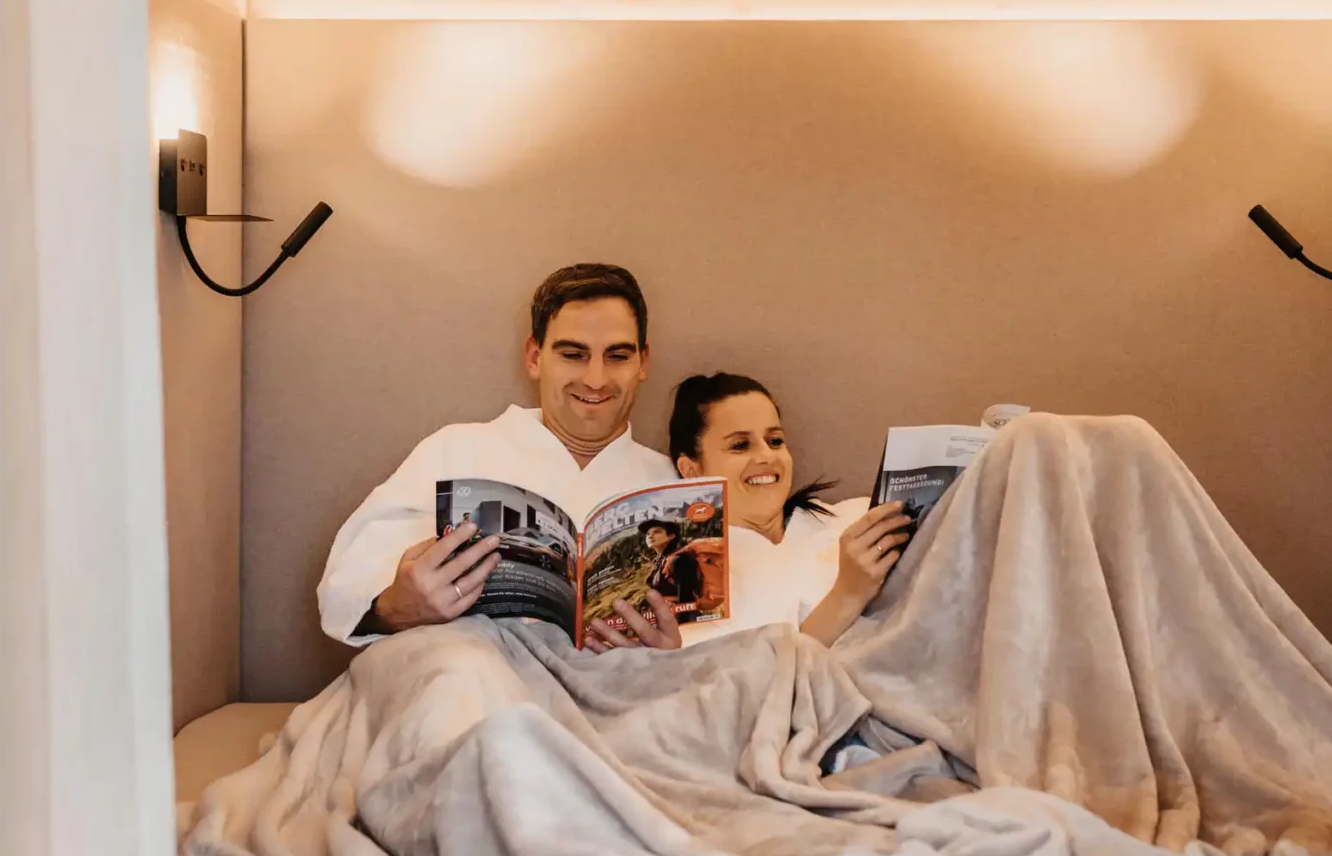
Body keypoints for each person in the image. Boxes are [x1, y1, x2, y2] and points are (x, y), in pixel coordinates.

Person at [316, 263, 687, 650]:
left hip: (621, 690)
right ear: (534, 356)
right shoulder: (455, 450)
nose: (595, 379)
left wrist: (671, 654)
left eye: (617, 356)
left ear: (643, 363)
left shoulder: (676, 483)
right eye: (573, 354)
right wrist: (395, 606)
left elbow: (717, 619)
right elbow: (343, 592)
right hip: (473, 676)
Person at [667, 371, 913, 648]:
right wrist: (848, 594)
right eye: (740, 445)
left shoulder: (856, 517)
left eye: (775, 441)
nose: (767, 456)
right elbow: (741, 684)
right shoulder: (693, 578)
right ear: (692, 470)